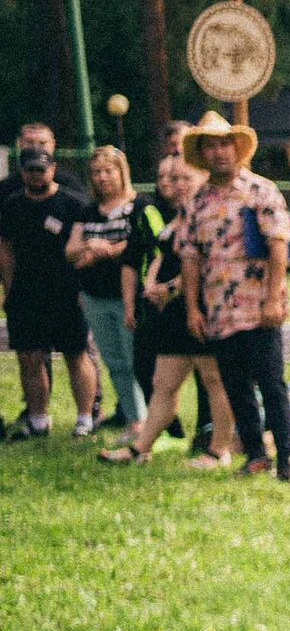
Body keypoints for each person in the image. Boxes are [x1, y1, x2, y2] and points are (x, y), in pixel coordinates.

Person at [174, 112, 290, 480]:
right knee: (235, 387)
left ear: (237, 148)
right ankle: (255, 454)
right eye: (210, 146)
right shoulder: (196, 203)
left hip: (259, 307)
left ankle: (286, 459)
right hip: (218, 311)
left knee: (271, 383)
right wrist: (192, 308)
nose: (219, 152)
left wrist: (273, 298)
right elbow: (189, 257)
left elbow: (279, 244)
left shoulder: (260, 189)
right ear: (202, 153)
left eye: (225, 143)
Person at [97, 153, 238, 469]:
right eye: (174, 179)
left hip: (201, 306)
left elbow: (204, 262)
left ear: (202, 177)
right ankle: (140, 448)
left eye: (186, 178)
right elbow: (161, 252)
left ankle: (219, 451)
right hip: (172, 312)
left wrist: (171, 288)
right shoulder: (178, 213)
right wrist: (151, 284)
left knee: (214, 379)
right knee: (163, 382)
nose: (178, 185)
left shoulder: (207, 211)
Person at [0, 135, 102, 439]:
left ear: (53, 168)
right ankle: (38, 418)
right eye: (30, 170)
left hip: (66, 291)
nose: (36, 175)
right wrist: (9, 286)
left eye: (42, 170)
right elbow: (5, 246)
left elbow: (86, 247)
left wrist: (83, 288)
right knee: (30, 357)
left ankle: (85, 417)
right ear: (22, 172)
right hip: (26, 292)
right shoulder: (12, 204)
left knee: (75, 354)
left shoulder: (73, 203)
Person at [68, 147, 147, 431]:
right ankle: (133, 420)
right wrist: (90, 246)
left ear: (122, 172)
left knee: (134, 360)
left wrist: (108, 250)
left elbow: (143, 241)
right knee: (114, 362)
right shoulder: (87, 211)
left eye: (108, 171)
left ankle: (149, 421)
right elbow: (70, 250)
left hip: (128, 296)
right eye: (96, 172)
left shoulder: (139, 205)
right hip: (94, 296)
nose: (102, 178)